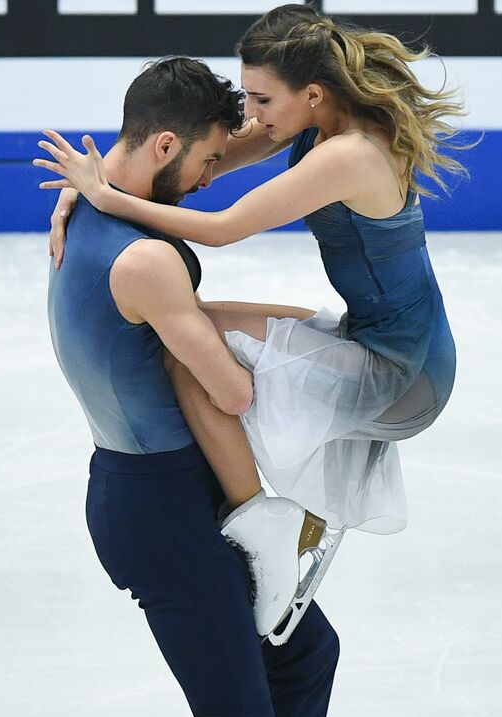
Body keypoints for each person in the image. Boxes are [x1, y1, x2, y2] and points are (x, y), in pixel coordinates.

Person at [43, 56, 387, 717]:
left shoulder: (95, 211)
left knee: (304, 655)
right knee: (234, 712)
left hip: (158, 493)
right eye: (198, 164)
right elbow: (228, 390)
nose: (206, 179)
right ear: (161, 143)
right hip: (159, 512)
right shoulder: (145, 253)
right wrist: (300, 349)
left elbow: (201, 176)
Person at [36, 3, 466, 565]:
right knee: (198, 324)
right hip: (379, 336)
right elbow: (191, 154)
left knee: (189, 354)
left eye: (261, 100)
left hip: (406, 372)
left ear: (311, 94)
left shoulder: (350, 154)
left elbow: (223, 229)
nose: (252, 113)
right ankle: (269, 522)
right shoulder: (315, 123)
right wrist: (98, 184)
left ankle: (266, 534)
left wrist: (105, 198)